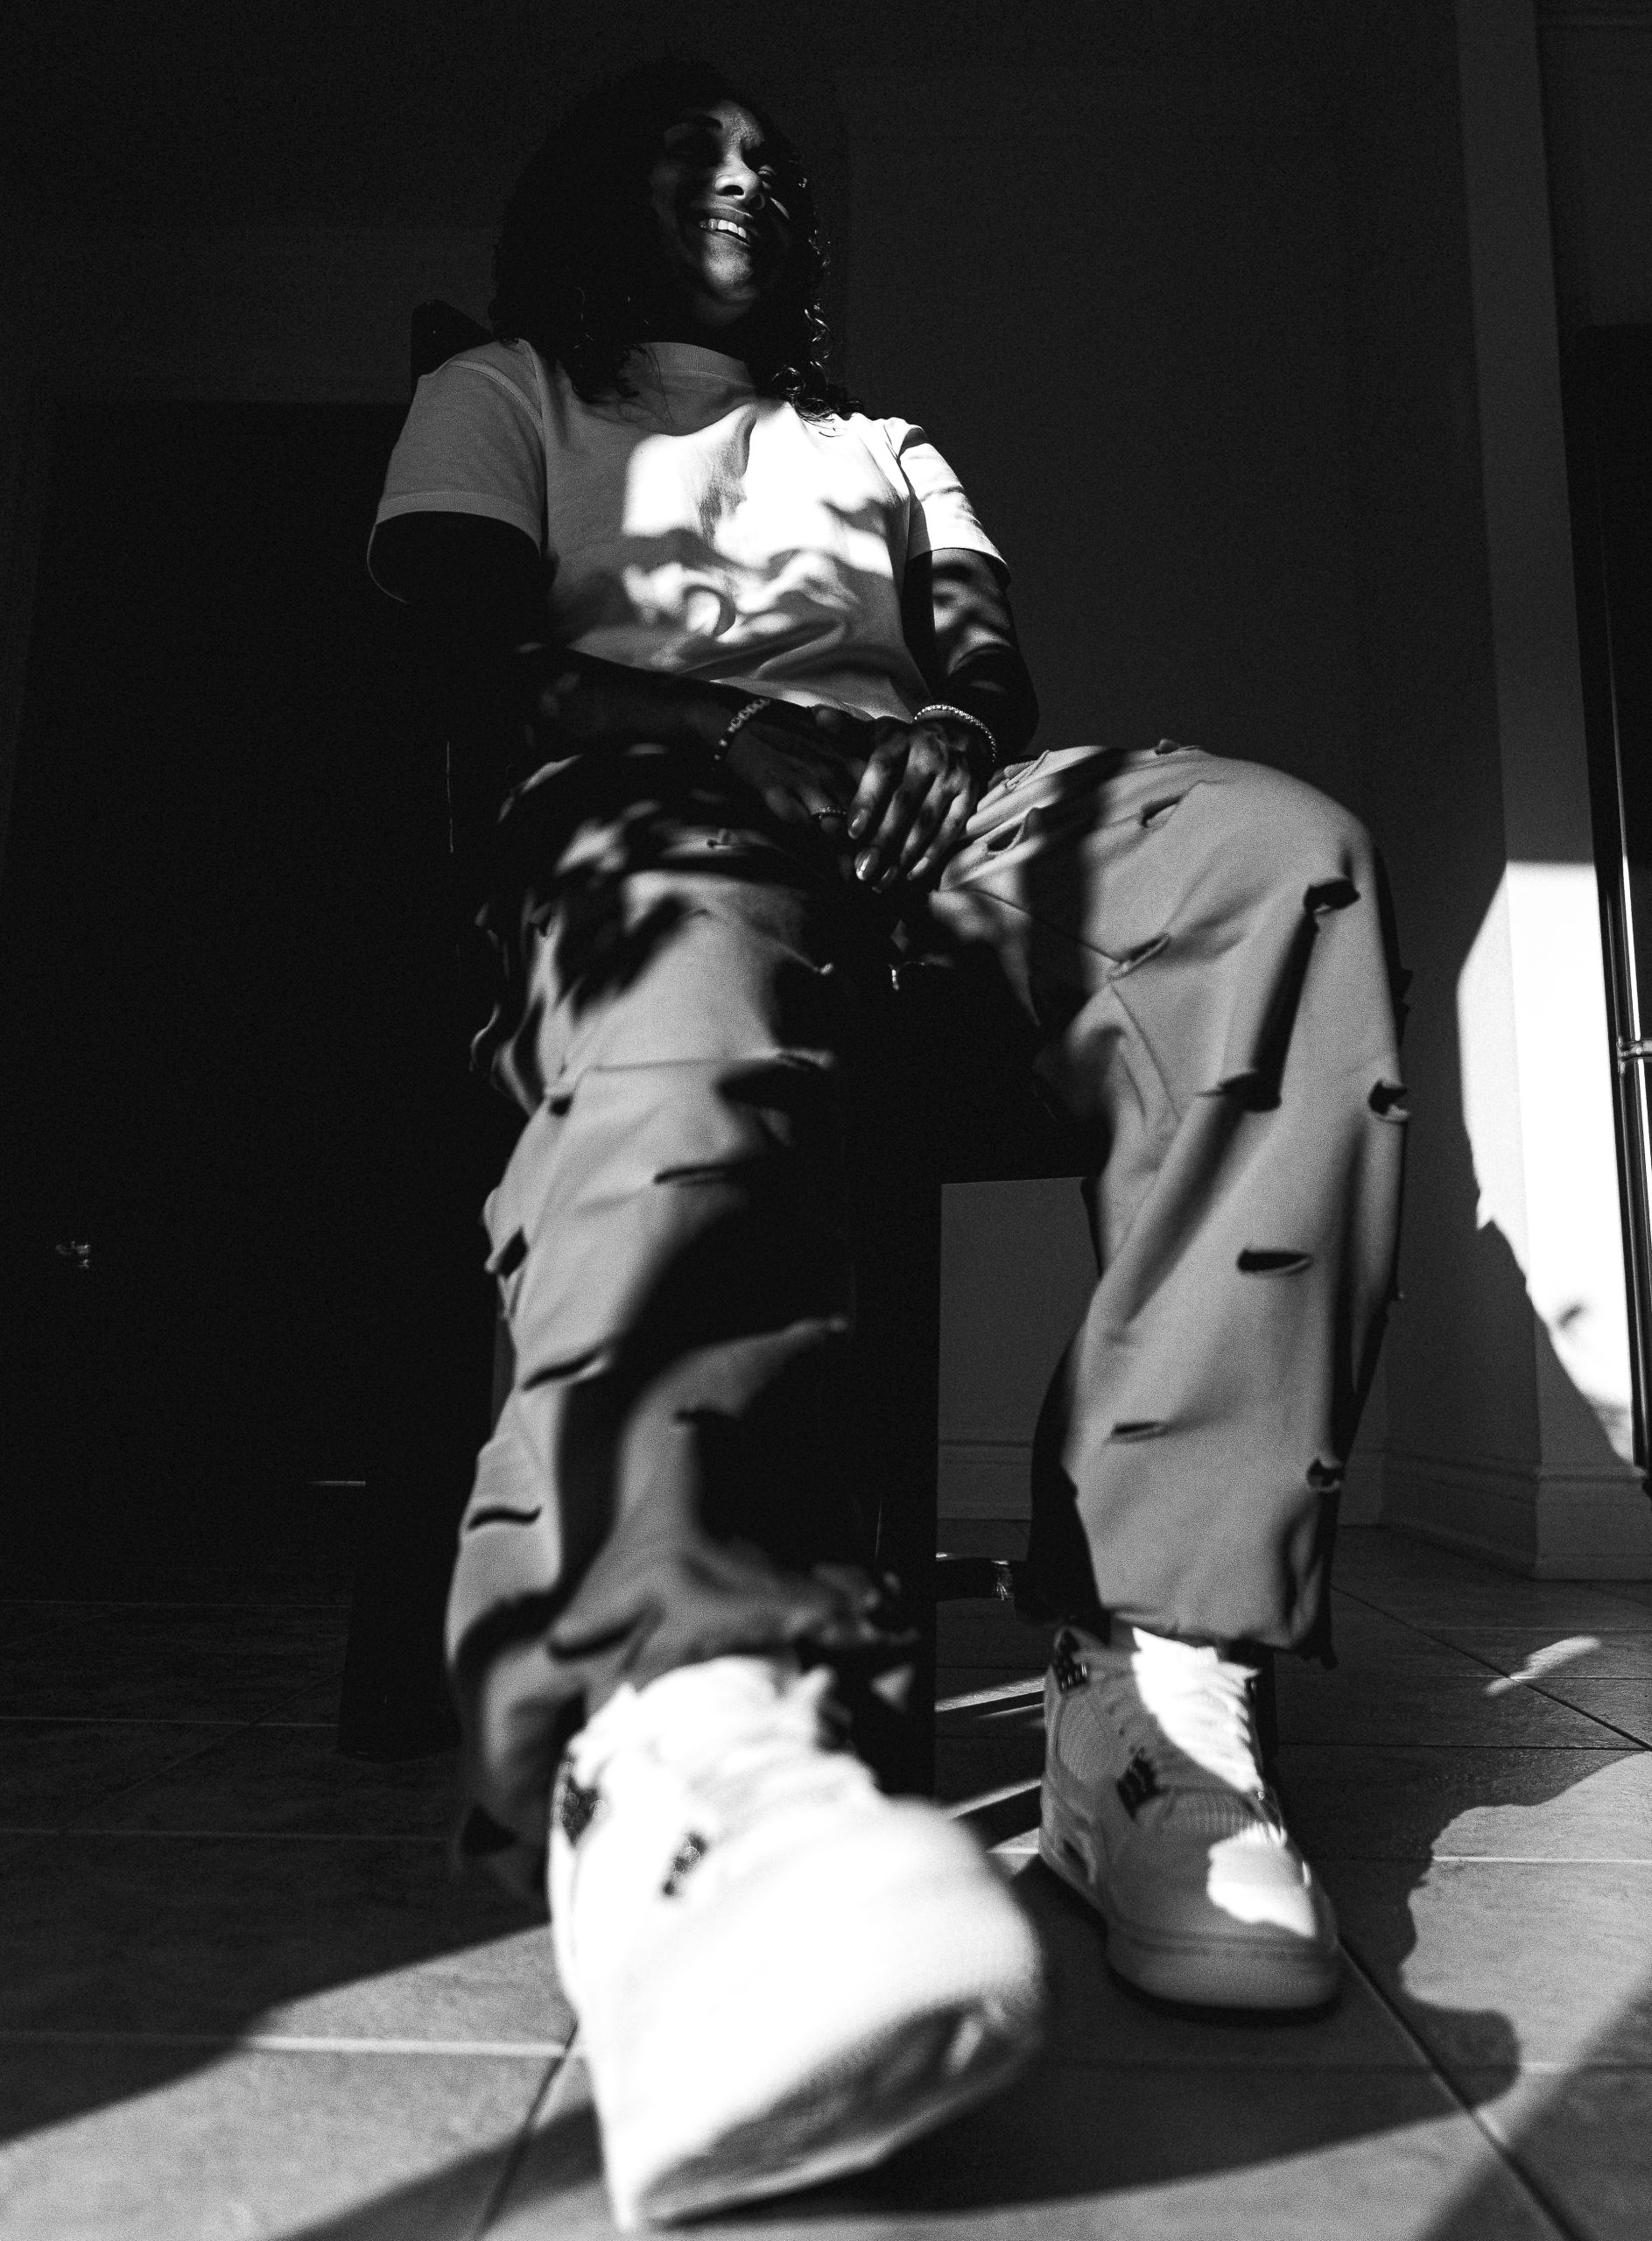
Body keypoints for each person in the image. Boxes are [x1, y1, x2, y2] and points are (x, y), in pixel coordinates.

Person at [368, 57, 1406, 2229]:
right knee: (674, 957)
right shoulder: (502, 396)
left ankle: (1147, 1688)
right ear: (601, 195)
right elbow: (464, 663)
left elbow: (981, 678)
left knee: (1268, 855)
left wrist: (925, 739)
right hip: (643, 813)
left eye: (772, 162)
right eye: (700, 150)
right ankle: (679, 1734)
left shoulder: (881, 443)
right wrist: (737, 733)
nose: (747, 178)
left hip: (919, 834)